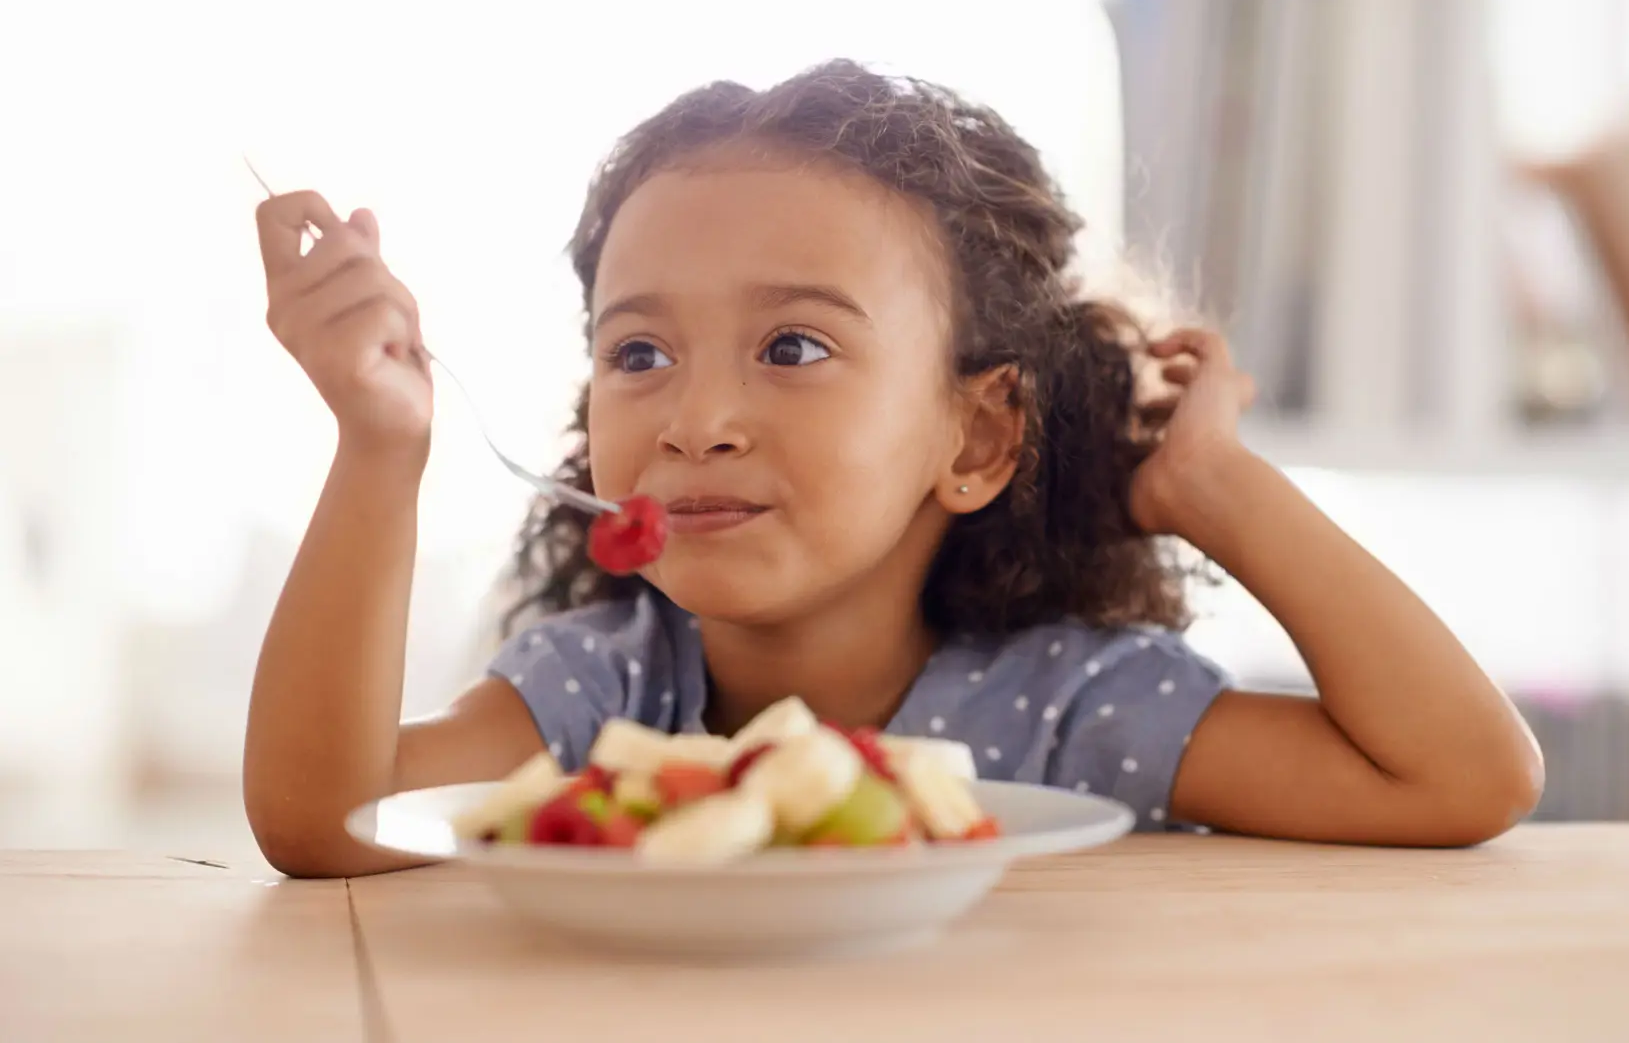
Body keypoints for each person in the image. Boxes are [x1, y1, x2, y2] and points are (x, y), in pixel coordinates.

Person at [243, 61, 1542, 878]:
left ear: (975, 438)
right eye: (639, 351)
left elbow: (1462, 779)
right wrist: (380, 444)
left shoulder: (1063, 710)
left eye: (792, 346)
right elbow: (331, 823)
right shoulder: (608, 689)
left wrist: (1215, 491)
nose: (697, 419)